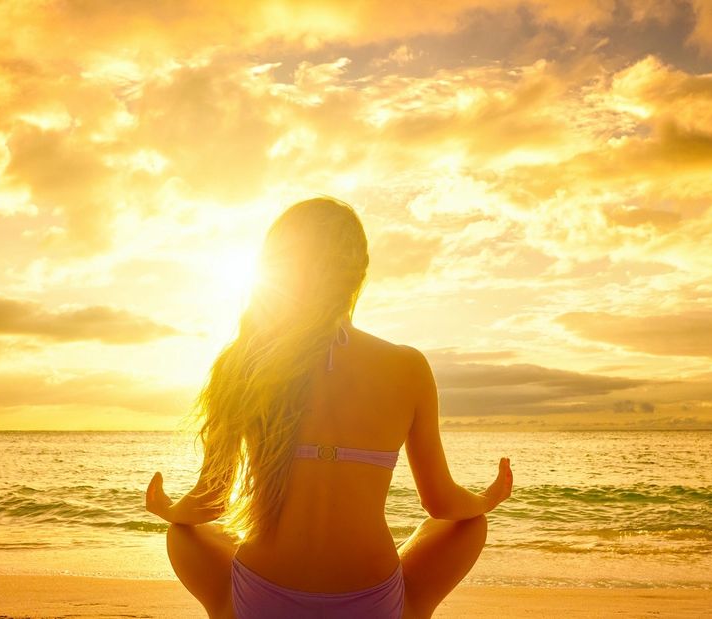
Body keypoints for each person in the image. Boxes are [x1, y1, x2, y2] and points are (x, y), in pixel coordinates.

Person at [144, 196, 513, 619]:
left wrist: (167, 508)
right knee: (468, 524)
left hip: (262, 599)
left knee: (184, 534)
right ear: (357, 275)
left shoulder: (243, 360)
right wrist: (487, 498)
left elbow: (209, 503)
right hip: (371, 602)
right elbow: (442, 504)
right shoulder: (407, 366)